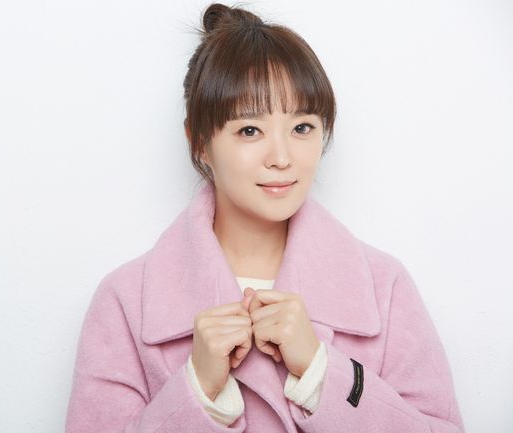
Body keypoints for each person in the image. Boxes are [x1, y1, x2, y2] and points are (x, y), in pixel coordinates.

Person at [65, 3, 465, 432]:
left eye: (302, 128)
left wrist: (322, 373)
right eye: (250, 130)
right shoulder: (127, 302)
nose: (282, 157)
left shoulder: (383, 287)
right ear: (199, 142)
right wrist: (197, 392)